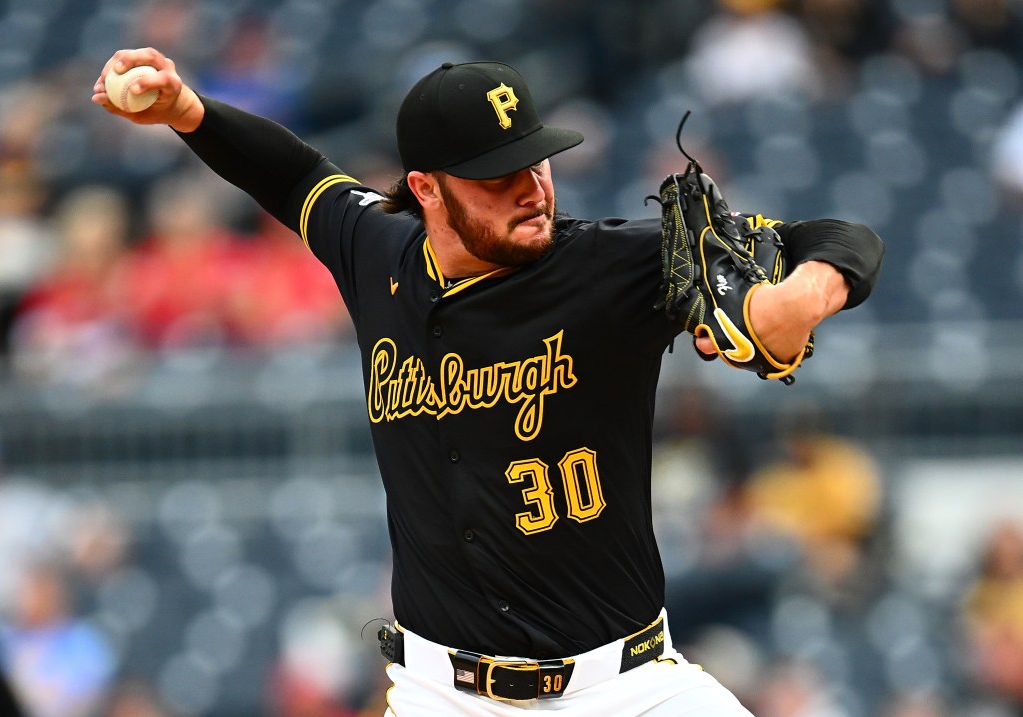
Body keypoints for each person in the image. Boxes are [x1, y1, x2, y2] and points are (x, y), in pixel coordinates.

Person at [92, 47, 884, 716]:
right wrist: (190, 112)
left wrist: (800, 296)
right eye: (496, 174)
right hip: (445, 696)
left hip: (628, 687)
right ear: (427, 189)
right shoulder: (377, 251)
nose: (532, 186)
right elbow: (295, 175)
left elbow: (842, 235)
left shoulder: (615, 265)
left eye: (534, 158)